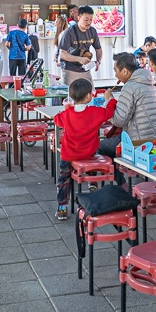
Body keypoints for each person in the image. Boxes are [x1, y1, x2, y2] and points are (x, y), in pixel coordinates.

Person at [54, 78, 117, 221]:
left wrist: (66, 110)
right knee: (92, 158)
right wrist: (111, 100)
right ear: (89, 96)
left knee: (63, 179)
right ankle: (92, 183)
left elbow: (56, 119)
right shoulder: (95, 112)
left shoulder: (67, 114)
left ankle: (62, 207)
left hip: (69, 154)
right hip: (89, 153)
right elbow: (109, 112)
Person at [97, 52, 156, 174]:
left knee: (102, 147)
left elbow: (119, 121)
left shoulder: (130, 86)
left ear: (125, 71)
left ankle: (121, 183)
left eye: (116, 71)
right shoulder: (153, 81)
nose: (115, 75)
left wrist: (108, 101)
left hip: (139, 141)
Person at [58, 5, 102, 86]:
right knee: (71, 93)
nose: (89, 22)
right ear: (78, 18)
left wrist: (98, 61)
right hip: (70, 70)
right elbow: (62, 54)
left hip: (85, 70)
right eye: (86, 20)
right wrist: (79, 59)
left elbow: (98, 49)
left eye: (91, 19)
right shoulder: (69, 32)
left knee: (90, 92)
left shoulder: (92, 31)